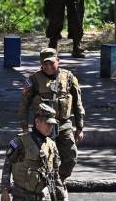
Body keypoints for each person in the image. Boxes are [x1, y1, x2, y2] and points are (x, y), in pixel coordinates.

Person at [18, 47, 84, 181]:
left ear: (58, 61)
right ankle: (45, 185)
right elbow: (24, 105)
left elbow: (78, 104)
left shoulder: (69, 77)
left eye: (51, 63)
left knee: (70, 157)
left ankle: (59, 181)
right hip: (43, 126)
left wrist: (80, 127)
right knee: (43, 158)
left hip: (63, 124)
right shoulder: (33, 80)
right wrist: (25, 127)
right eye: (44, 63)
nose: (48, 66)